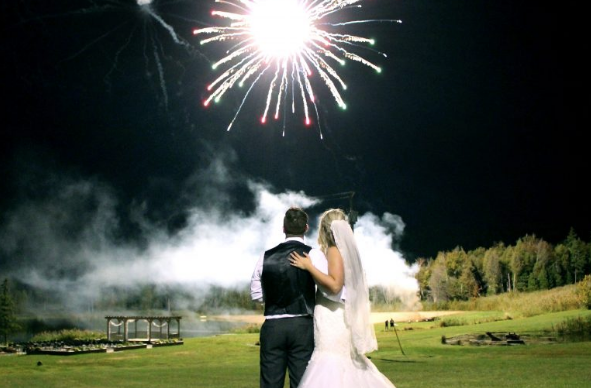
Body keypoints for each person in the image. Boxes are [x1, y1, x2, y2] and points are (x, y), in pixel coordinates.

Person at [289, 208, 396, 388]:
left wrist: (309, 267)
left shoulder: (333, 250)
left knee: (330, 361)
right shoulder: (347, 252)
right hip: (340, 314)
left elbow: (335, 285)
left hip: (331, 316)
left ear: (325, 229)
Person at [251, 207, 330, 388]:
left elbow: (256, 295)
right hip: (302, 326)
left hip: (273, 325)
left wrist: (274, 296)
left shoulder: (265, 256)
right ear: (306, 228)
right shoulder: (314, 254)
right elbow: (327, 288)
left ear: (283, 228)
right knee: (302, 382)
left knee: (270, 383)